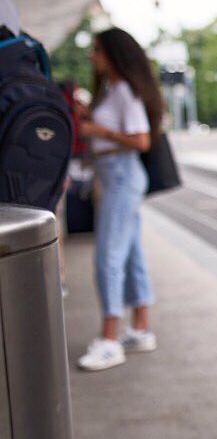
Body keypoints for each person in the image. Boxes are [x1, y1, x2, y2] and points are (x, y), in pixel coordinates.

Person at [75, 28, 164, 372]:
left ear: (113, 54)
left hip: (122, 177)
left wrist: (96, 131)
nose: (91, 57)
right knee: (129, 255)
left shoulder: (125, 91)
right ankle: (140, 328)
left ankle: (109, 340)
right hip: (115, 177)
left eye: (96, 50)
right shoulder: (113, 91)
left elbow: (141, 139)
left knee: (108, 257)